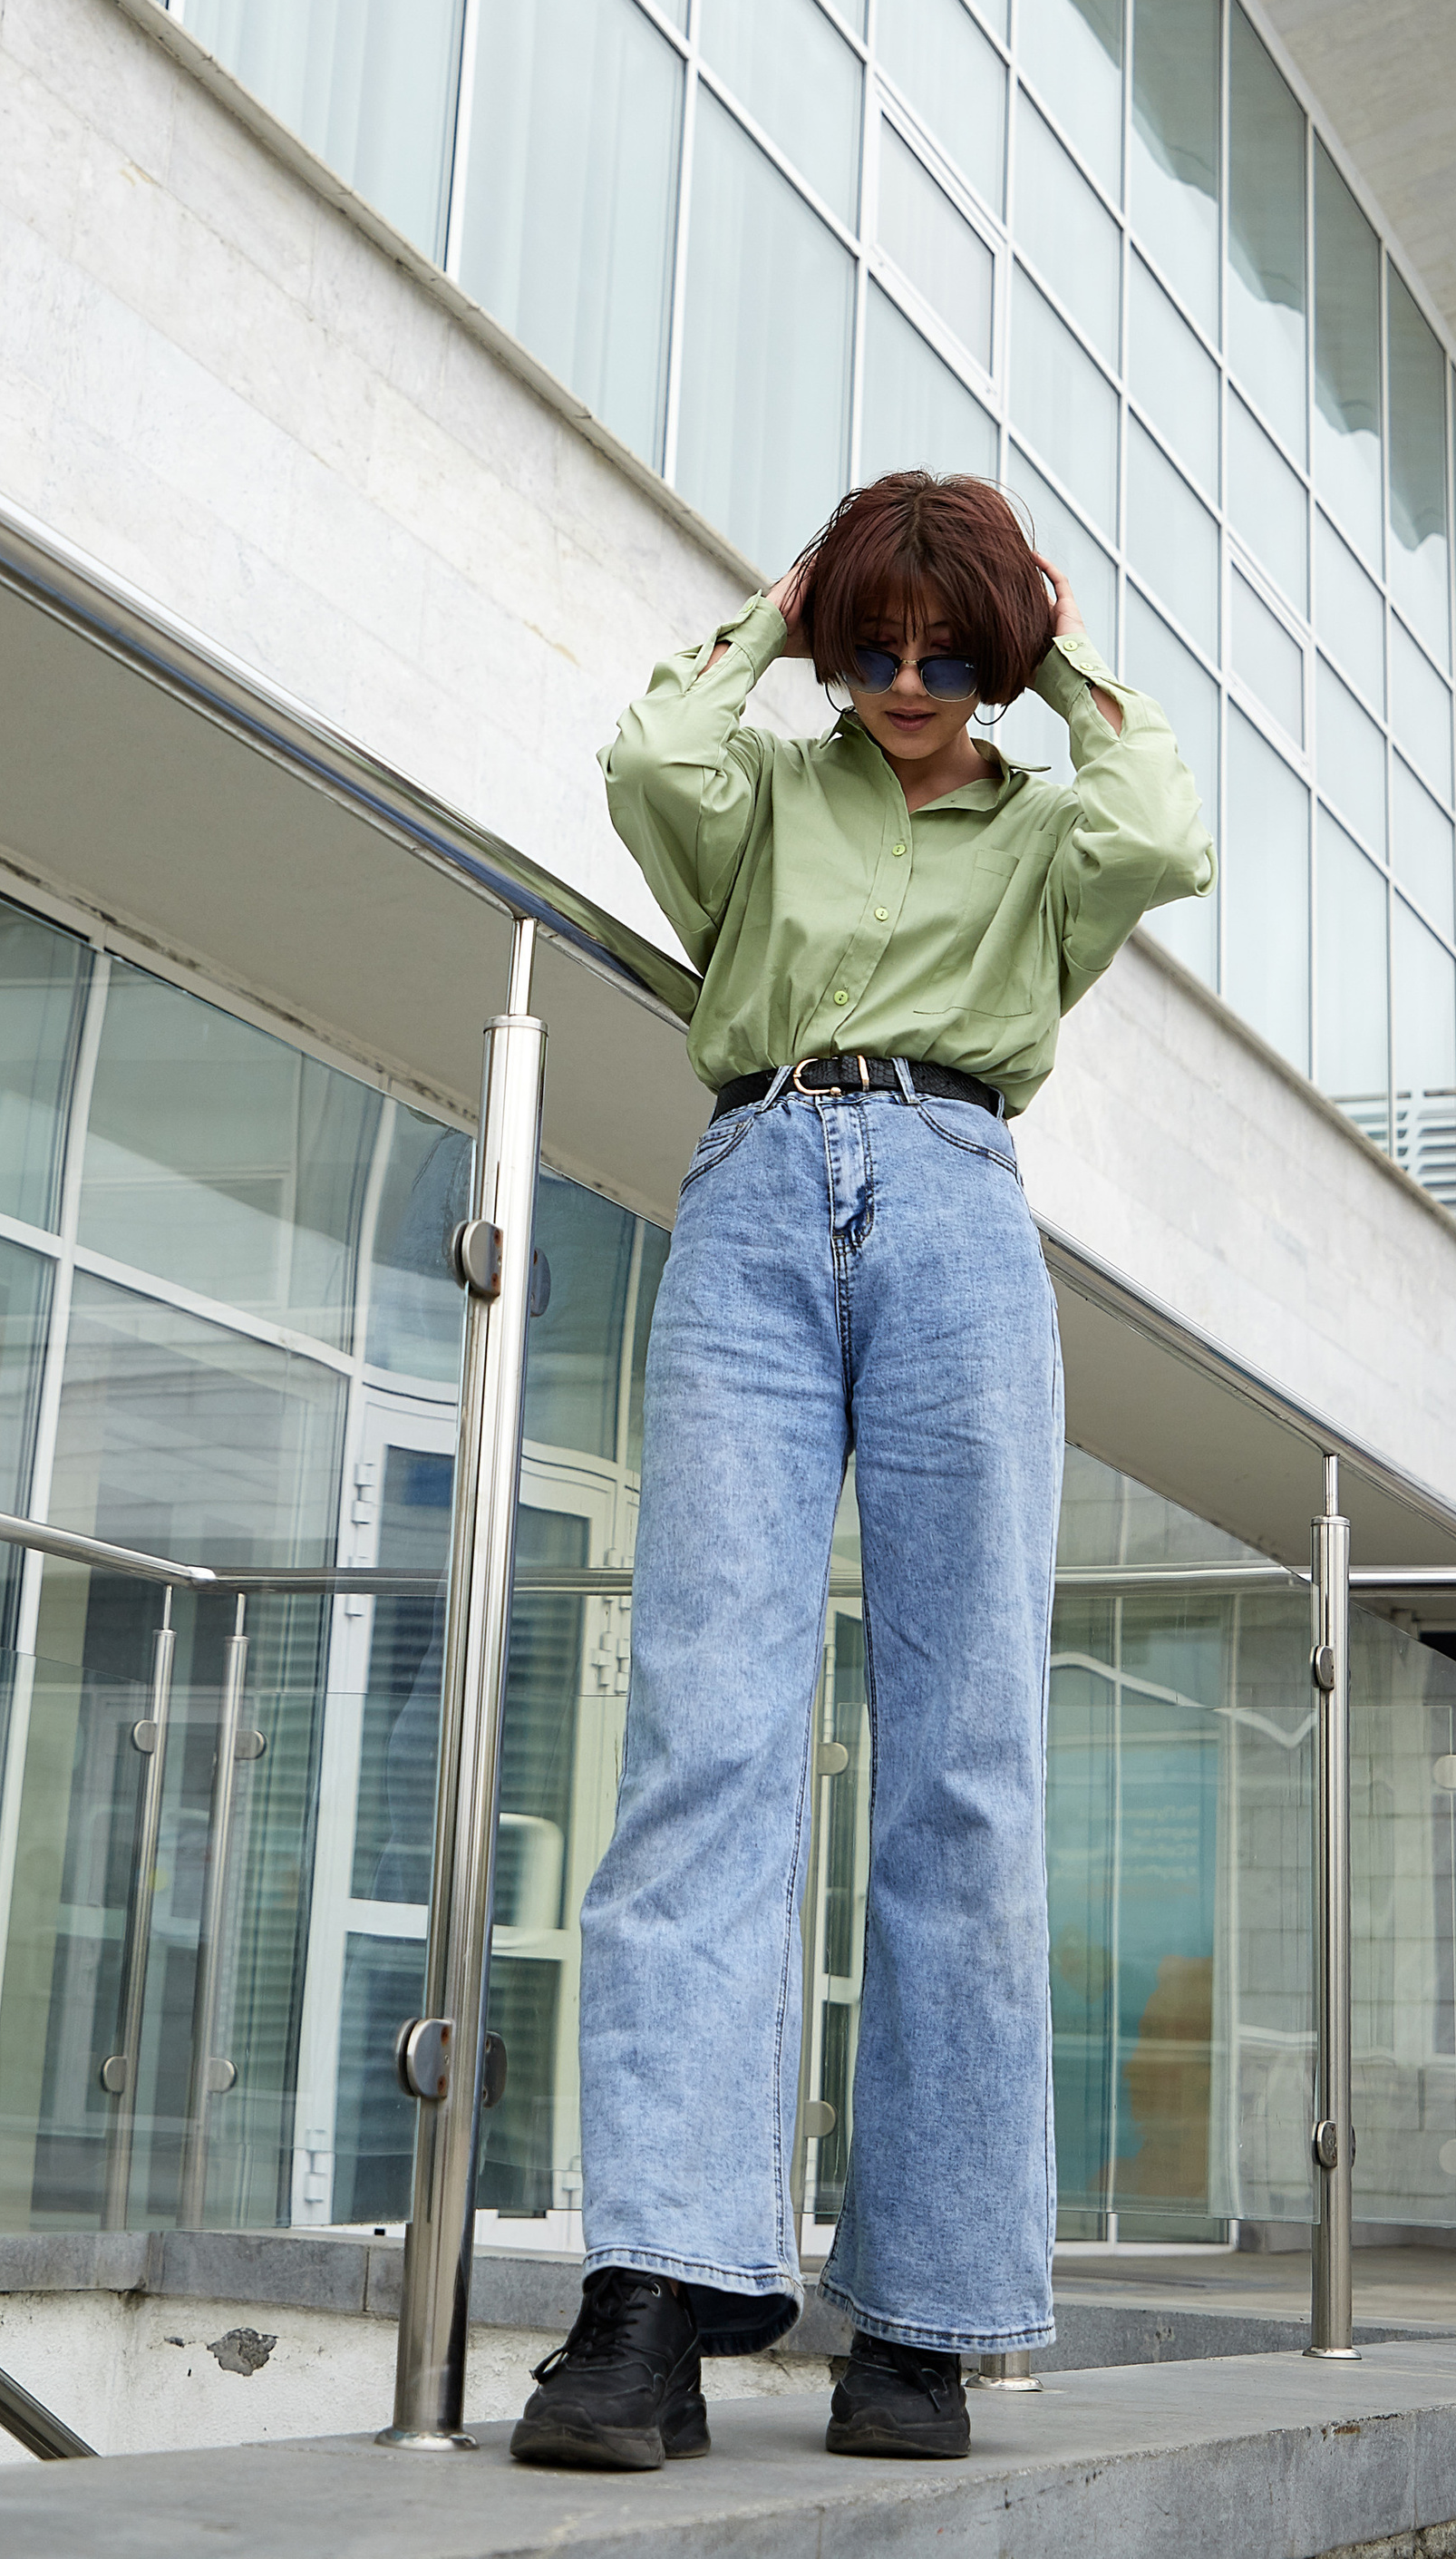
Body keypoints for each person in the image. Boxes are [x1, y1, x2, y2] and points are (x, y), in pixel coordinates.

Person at [510, 468, 1214, 2474]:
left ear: (990, 652)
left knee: (964, 1766)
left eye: (942, 652)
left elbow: (1162, 819)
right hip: (747, 1192)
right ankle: (654, 2290)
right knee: (702, 1735)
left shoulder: (1047, 825)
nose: (904, 685)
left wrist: (1052, 655)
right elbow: (647, 748)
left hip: (957, 1206)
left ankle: (918, 2315)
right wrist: (774, 606)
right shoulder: (765, 803)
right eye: (874, 647)